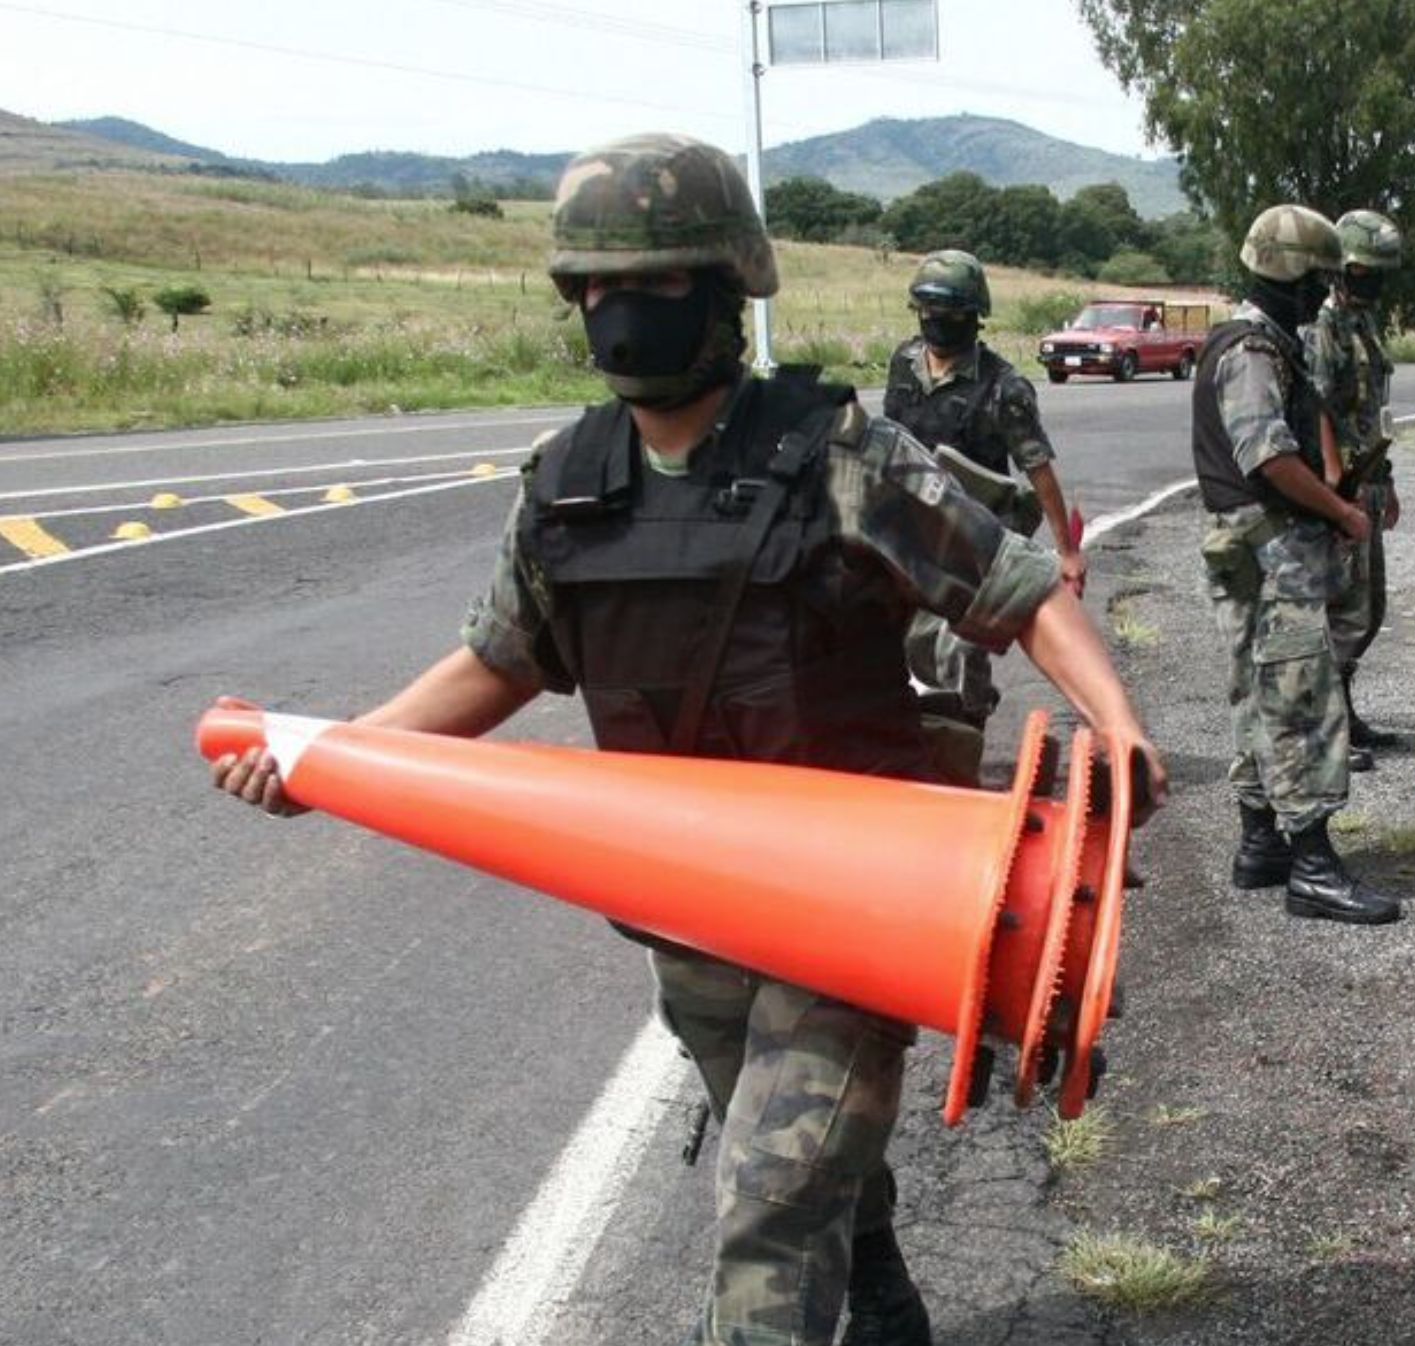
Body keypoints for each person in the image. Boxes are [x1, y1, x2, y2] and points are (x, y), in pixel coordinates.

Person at [205, 132, 1166, 1346]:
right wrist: (325, 763)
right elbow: (499, 662)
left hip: (863, 900)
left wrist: (1117, 724)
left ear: (721, 293)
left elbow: (1019, 589)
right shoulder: (566, 485)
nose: (619, 314)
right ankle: (878, 1288)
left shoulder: (838, 454)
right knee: (802, 1155)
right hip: (691, 914)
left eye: (650, 286)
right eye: (597, 289)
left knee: (768, 1198)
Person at [1197, 203, 1398, 926]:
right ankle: (1312, 863)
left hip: (1256, 549)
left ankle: (1261, 843)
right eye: (1315, 279)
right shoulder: (1253, 350)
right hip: (1269, 550)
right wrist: (1343, 512)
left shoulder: (1268, 342)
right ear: (1287, 276)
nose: (1323, 293)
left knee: (1258, 694)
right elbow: (1267, 455)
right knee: (1301, 701)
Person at [883, 249, 1086, 783]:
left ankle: (964, 754)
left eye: (947, 308)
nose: (934, 319)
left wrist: (1066, 551)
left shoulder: (1004, 387)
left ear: (974, 313)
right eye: (925, 307)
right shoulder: (902, 363)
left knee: (961, 652)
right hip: (902, 533)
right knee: (886, 646)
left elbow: (1037, 468)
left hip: (970, 540)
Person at [1305, 208, 1404, 768]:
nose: (1375, 282)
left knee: (1369, 606)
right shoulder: (1324, 324)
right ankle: (1326, 728)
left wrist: (1384, 482)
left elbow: (1372, 407)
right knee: (1343, 608)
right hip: (1340, 485)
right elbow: (1319, 401)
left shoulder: (1363, 322)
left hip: (1367, 478)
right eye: (1368, 271)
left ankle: (1344, 707)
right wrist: (1332, 482)